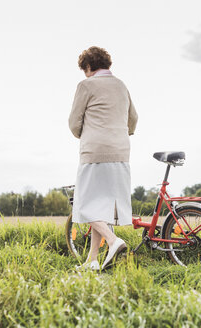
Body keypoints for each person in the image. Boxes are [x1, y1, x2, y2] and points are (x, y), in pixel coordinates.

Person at [68, 46, 138, 270]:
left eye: (85, 69)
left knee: (84, 204)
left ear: (88, 66)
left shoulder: (86, 85)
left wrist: (84, 134)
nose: (85, 74)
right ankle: (92, 260)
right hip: (120, 153)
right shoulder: (121, 85)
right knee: (103, 207)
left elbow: (74, 123)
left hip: (95, 153)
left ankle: (113, 240)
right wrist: (119, 133)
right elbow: (133, 119)